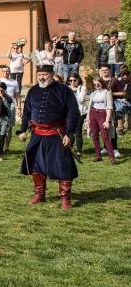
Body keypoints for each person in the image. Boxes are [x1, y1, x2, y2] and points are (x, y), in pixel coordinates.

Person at [17, 65, 80, 210]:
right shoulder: (33, 91)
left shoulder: (64, 91)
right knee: (35, 165)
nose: (41, 77)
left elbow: (73, 113)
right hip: (37, 135)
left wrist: (69, 134)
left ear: (52, 74)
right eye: (39, 74)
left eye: (44, 74)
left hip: (57, 135)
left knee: (62, 166)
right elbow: (27, 111)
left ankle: (65, 198)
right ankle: (40, 194)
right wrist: (22, 130)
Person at [85, 78, 116, 164]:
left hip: (102, 114)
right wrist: (88, 119)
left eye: (97, 84)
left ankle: (112, 157)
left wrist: (107, 121)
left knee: (105, 136)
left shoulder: (107, 92)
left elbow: (109, 107)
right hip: (93, 113)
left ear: (102, 83)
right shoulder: (93, 93)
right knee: (94, 135)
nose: (96, 86)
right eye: (94, 84)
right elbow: (89, 107)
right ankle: (98, 156)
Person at [67, 73, 87, 157]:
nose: (72, 82)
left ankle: (79, 151)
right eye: (70, 80)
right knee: (69, 131)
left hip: (80, 112)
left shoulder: (82, 88)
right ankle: (70, 148)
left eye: (74, 80)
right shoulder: (67, 88)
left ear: (78, 80)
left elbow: (80, 100)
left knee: (78, 132)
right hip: (70, 113)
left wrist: (73, 92)